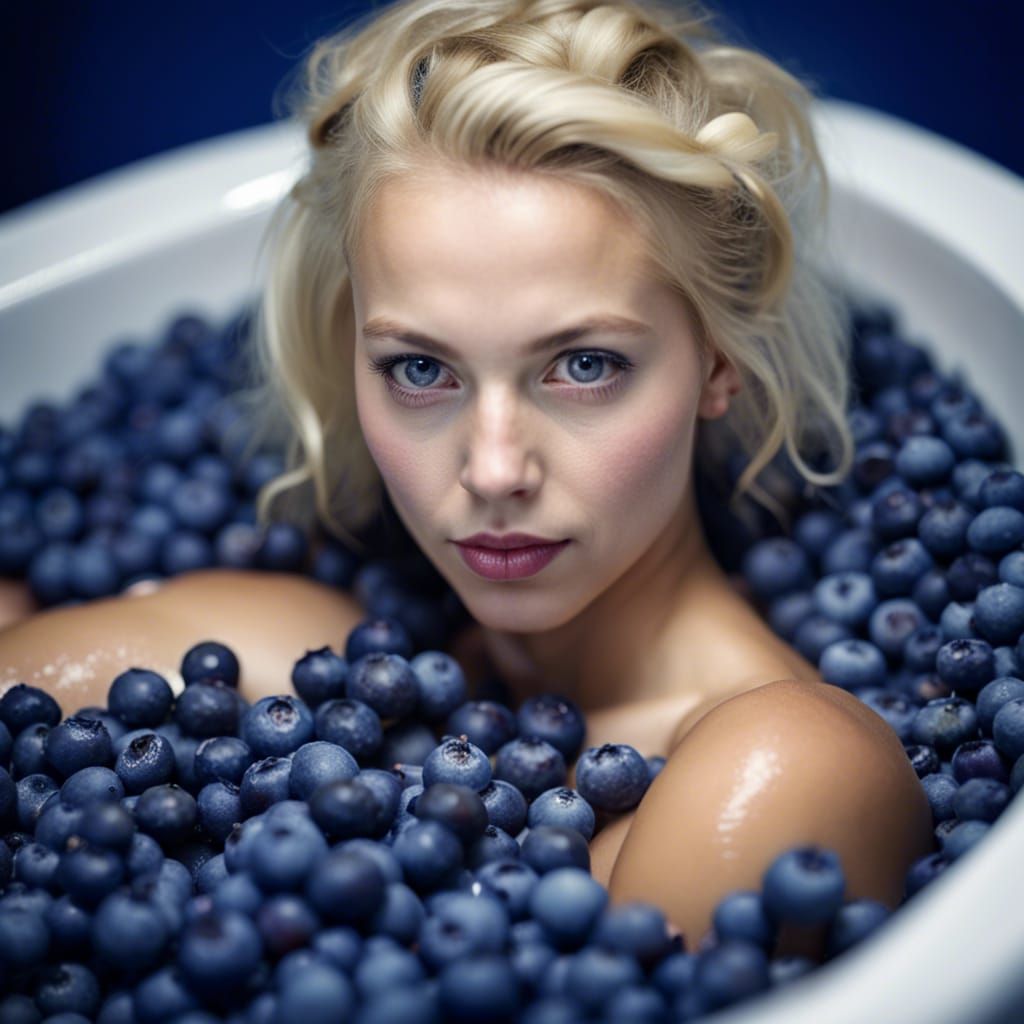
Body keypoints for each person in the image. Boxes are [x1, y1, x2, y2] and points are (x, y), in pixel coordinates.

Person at [0, 0, 932, 957]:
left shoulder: (785, 765)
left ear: (718, 362)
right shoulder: (307, 652)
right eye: (420, 369)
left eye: (584, 365)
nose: (493, 471)